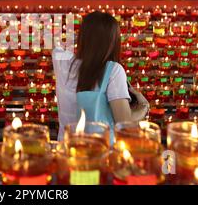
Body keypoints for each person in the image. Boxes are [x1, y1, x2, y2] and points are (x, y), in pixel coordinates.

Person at [52, 11, 149, 141]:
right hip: (99, 151)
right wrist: (143, 107)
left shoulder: (61, 62)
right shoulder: (113, 71)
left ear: (82, 37)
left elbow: (54, 41)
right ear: (113, 42)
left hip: (66, 148)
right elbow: (124, 123)